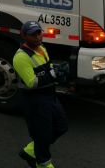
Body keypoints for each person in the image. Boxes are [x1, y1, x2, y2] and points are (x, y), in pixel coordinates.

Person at [13, 21, 68, 168]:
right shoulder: (21, 57)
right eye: (33, 35)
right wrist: (52, 74)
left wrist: (57, 73)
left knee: (61, 126)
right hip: (35, 100)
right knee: (42, 135)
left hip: (50, 95)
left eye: (39, 33)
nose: (37, 37)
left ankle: (31, 150)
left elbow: (48, 68)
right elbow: (31, 82)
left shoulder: (42, 49)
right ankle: (42, 163)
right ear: (24, 36)